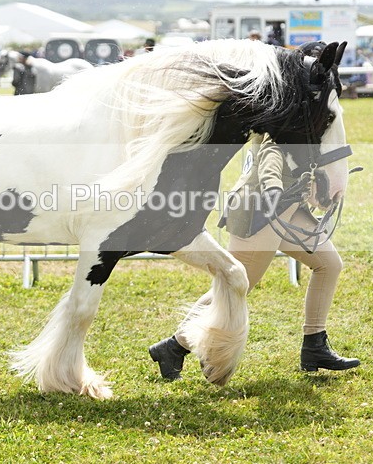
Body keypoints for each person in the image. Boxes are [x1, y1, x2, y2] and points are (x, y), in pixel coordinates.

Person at [149, 43, 360, 381]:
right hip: (261, 210)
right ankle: (174, 346)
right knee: (238, 285)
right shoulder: (281, 121)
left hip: (288, 210)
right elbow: (271, 162)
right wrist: (277, 190)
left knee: (328, 264)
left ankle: (314, 345)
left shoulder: (304, 120)